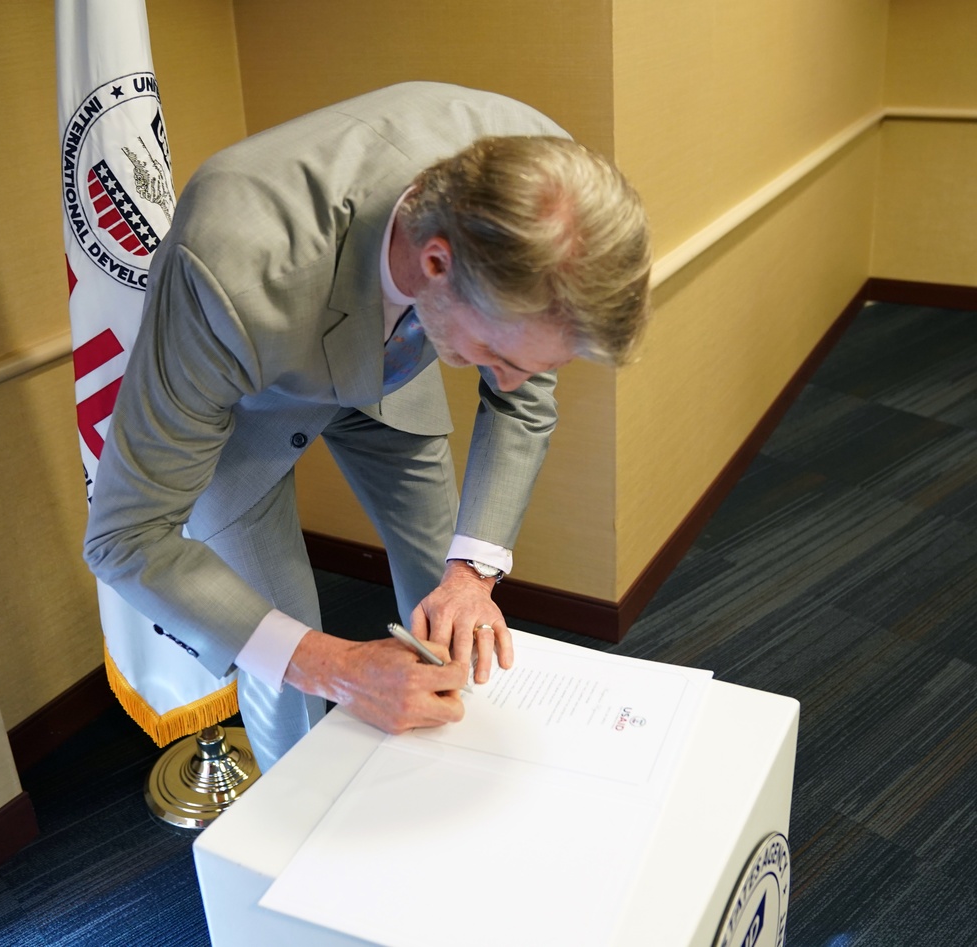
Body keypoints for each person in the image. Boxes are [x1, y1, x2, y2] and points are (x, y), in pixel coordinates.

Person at [84, 81, 651, 770]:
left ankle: (441, 769)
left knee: (446, 593)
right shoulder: (227, 268)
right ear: (437, 264)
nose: (513, 380)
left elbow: (521, 390)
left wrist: (471, 572)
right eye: (498, 359)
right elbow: (125, 536)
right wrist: (333, 666)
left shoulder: (543, 189)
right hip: (251, 394)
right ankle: (297, 821)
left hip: (395, 367)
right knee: (284, 641)